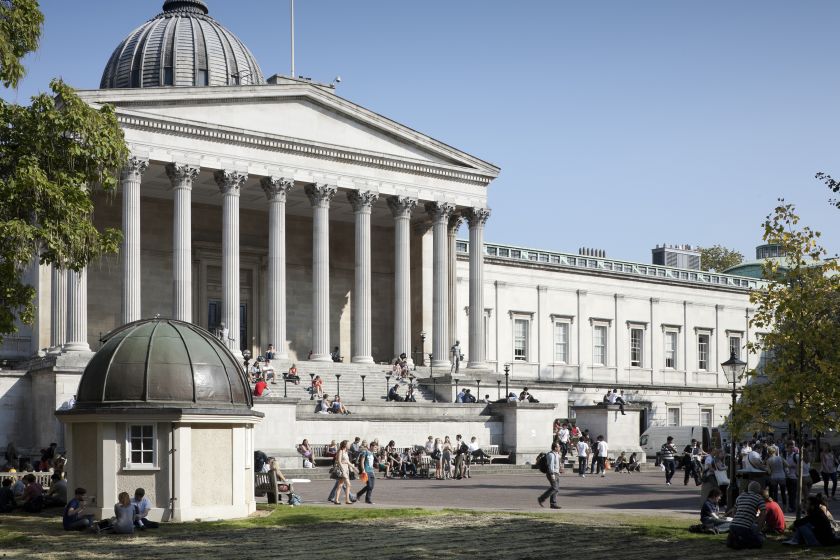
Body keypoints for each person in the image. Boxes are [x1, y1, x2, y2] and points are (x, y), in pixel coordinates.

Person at [726, 481, 767, 550]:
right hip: (745, 527)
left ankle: (735, 539)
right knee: (760, 540)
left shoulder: (740, 496)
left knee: (743, 531)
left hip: (733, 526)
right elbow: (763, 513)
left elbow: (734, 511)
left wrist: (736, 520)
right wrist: (759, 529)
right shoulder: (759, 498)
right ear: (759, 489)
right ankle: (743, 542)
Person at [538, 442, 562, 509]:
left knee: (556, 489)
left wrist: (559, 471)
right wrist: (552, 474)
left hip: (556, 473)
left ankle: (553, 504)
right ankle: (541, 498)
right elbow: (551, 465)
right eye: (558, 447)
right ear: (555, 448)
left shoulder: (557, 454)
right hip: (551, 473)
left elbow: (557, 464)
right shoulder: (551, 455)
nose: (560, 448)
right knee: (554, 487)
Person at [332, 440, 353, 505]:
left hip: (346, 469)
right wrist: (343, 470)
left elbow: (348, 461)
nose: (349, 445)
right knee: (348, 484)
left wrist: (351, 468)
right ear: (345, 445)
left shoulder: (346, 452)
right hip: (342, 470)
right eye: (348, 444)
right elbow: (339, 461)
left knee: (340, 485)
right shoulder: (340, 451)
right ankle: (347, 499)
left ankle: (336, 500)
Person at [767, 444, 788, 509]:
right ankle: (784, 507)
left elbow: (769, 472)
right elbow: (787, 464)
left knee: (775, 493)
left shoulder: (769, 460)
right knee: (783, 492)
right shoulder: (780, 458)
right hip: (782, 476)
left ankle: (776, 507)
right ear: (775, 451)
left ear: (769, 452)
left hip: (774, 477)